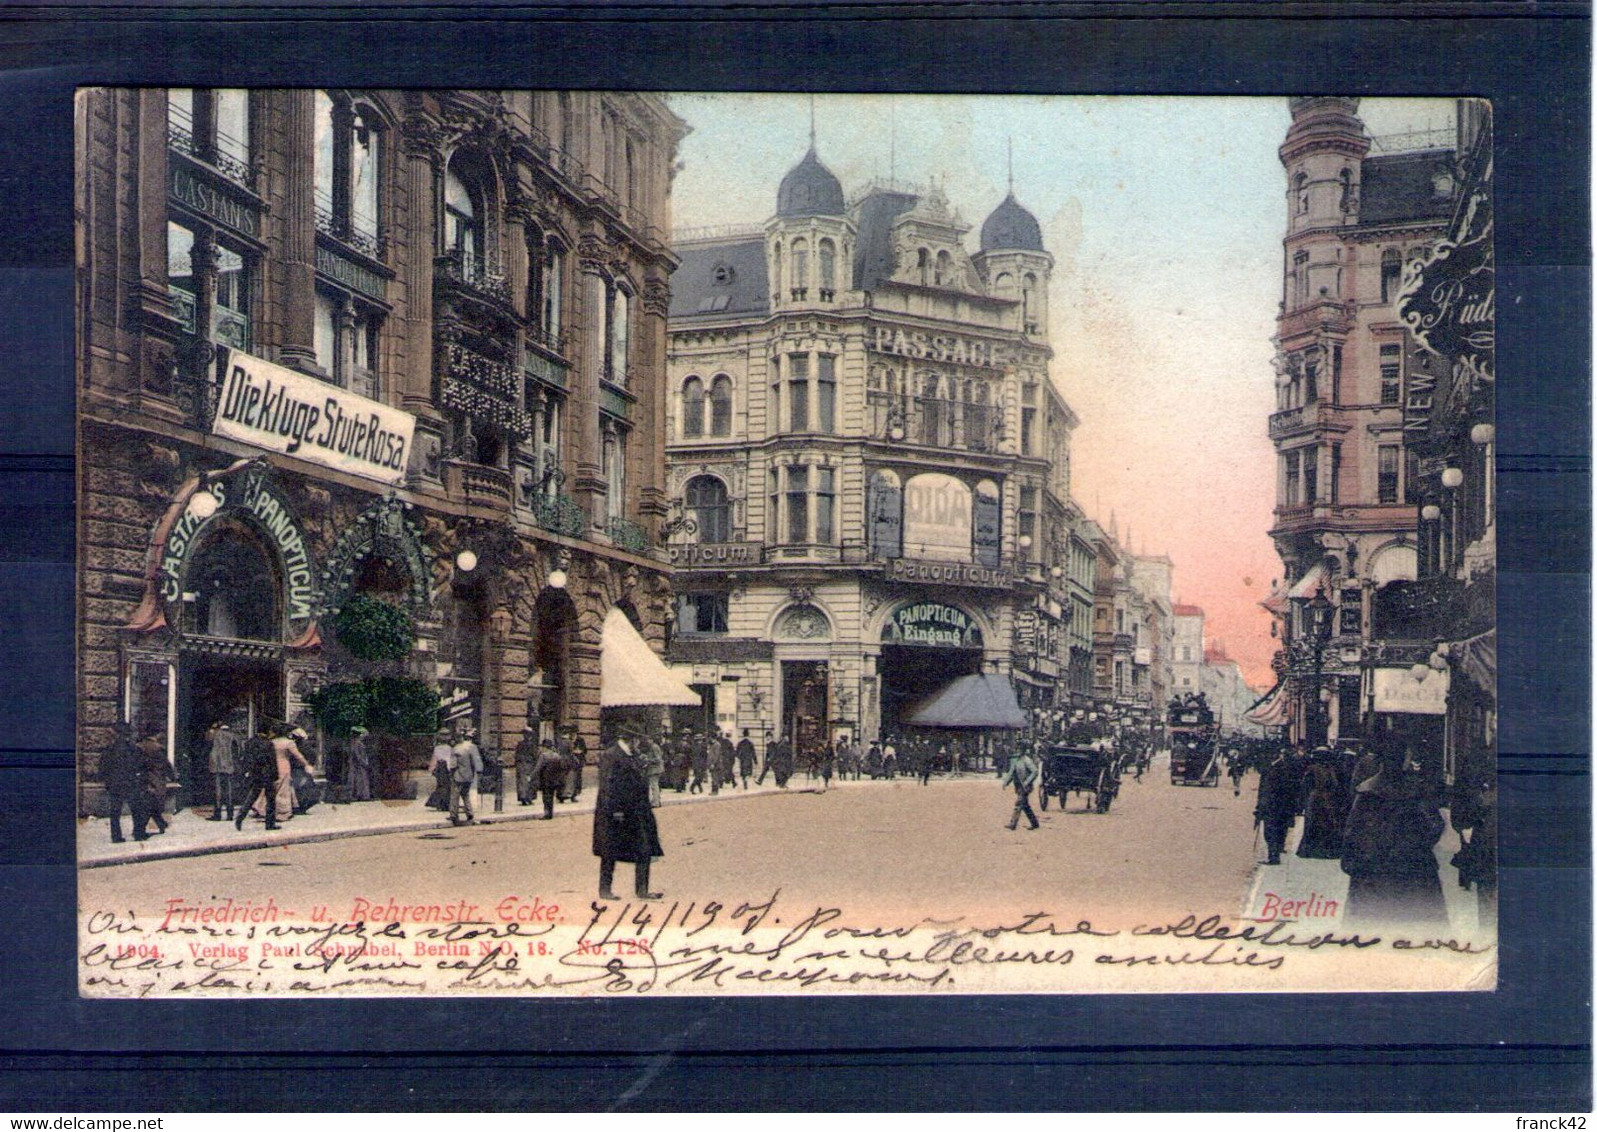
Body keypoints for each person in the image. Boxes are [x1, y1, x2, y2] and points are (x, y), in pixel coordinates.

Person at [1341, 745, 1449, 932]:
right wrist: (1420, 846)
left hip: (1373, 867)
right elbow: (1435, 825)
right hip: (1414, 869)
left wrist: (1351, 859)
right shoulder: (1416, 789)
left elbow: (1352, 830)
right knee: (1416, 927)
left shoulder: (1367, 790)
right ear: (1404, 761)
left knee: (1370, 927)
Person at [593, 726, 664, 900]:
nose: (639, 744)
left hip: (636, 811)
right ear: (631, 739)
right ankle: (605, 890)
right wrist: (616, 811)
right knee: (609, 851)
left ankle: (642, 890)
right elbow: (608, 786)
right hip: (617, 812)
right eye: (638, 741)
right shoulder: (611, 755)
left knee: (644, 849)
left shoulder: (632, 756)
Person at [1253, 745, 1301, 865]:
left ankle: (1273, 857)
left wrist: (1260, 808)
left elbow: (1267, 792)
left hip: (1273, 807)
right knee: (1278, 830)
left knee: (1270, 832)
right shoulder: (1282, 767)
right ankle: (1276, 853)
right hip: (1282, 806)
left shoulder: (1274, 770)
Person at [1295, 747, 1344, 859]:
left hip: (1319, 798)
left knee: (1318, 824)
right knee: (1322, 824)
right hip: (1322, 799)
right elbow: (1334, 785)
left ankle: (1315, 850)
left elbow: (1305, 786)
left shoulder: (1318, 769)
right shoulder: (1324, 769)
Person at [102, 723, 148, 843]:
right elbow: (142, 767)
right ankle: (139, 834)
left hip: (115, 785)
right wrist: (141, 782)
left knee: (115, 812)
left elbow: (103, 769)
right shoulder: (134, 750)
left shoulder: (109, 750)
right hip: (131, 783)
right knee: (137, 810)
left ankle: (116, 837)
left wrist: (108, 783)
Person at [234, 726, 280, 831]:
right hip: (268, 774)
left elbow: (245, 759)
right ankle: (270, 823)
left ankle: (240, 817)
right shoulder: (268, 744)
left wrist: (247, 771)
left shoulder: (249, 743)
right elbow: (272, 761)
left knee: (252, 796)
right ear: (268, 732)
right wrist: (275, 775)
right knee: (271, 800)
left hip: (255, 773)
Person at [1001, 745, 1041, 831]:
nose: (1017, 751)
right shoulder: (1015, 760)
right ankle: (1035, 823)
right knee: (1025, 806)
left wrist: (1027, 782)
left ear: (1022, 751)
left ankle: (1013, 824)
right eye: (1016, 749)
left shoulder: (1027, 760)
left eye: (1019, 750)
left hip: (1025, 787)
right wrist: (1006, 782)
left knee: (1018, 804)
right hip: (1019, 785)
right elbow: (1012, 772)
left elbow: (1035, 771)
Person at [139, 732, 171, 836]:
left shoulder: (142, 747)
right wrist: (172, 776)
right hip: (157, 781)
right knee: (151, 806)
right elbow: (167, 766)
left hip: (146, 781)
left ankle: (140, 829)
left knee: (149, 806)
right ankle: (158, 825)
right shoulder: (159, 749)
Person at [205, 720, 238, 822]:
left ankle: (218, 814)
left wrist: (212, 728)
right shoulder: (233, 736)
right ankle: (230, 814)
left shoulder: (213, 734)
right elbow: (238, 750)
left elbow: (206, 740)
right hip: (229, 766)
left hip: (216, 765)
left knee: (217, 790)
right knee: (229, 790)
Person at [450, 729, 483, 826]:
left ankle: (454, 815)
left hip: (458, 775)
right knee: (465, 795)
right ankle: (470, 813)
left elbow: (453, 765)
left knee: (454, 796)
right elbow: (477, 761)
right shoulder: (472, 747)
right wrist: (479, 772)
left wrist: (451, 774)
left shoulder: (455, 749)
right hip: (469, 776)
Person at [531, 737, 566, 819]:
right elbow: (562, 767)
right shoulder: (557, 756)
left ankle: (547, 813)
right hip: (555, 780)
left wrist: (531, 777)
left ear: (544, 747)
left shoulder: (543, 756)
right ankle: (550, 813)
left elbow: (538, 768)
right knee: (551, 796)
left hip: (545, 779)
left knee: (546, 797)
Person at [426, 730, 454, 810]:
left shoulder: (437, 748)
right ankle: (445, 804)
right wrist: (450, 769)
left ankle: (439, 803)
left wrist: (432, 769)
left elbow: (434, 759)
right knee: (447, 786)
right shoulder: (450, 748)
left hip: (439, 768)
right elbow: (449, 759)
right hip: (445, 768)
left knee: (440, 785)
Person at [514, 725, 540, 806]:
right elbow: (535, 755)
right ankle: (528, 798)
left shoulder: (520, 744)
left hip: (521, 765)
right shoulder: (532, 745)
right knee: (529, 781)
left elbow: (516, 755)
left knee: (522, 781)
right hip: (529, 765)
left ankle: (523, 798)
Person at [346, 726, 373, 802]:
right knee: (359, 780)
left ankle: (362, 795)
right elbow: (358, 755)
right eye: (363, 735)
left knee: (361, 780)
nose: (364, 736)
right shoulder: (357, 743)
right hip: (358, 765)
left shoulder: (359, 743)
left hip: (360, 764)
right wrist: (364, 763)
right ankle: (360, 796)